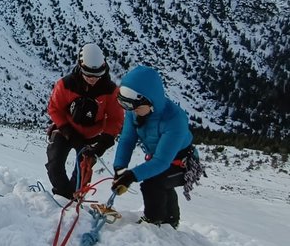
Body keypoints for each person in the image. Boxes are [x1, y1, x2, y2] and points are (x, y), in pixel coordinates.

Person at [111, 65, 202, 229]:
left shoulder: (174, 119)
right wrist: (120, 168)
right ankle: (171, 220)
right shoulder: (135, 111)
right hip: (163, 160)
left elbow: (161, 162)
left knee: (153, 183)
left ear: (150, 100)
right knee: (160, 183)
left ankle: (154, 222)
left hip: (183, 164)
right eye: (128, 107)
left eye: (136, 107)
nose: (132, 111)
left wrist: (131, 176)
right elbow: (127, 140)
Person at [45, 43, 124, 200]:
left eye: (96, 76)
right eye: (88, 75)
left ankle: (74, 198)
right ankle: (63, 196)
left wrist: (105, 141)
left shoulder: (110, 91)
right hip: (67, 130)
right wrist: (67, 131)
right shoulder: (66, 85)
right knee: (55, 163)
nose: (93, 80)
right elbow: (54, 108)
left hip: (92, 136)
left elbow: (116, 118)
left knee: (83, 172)